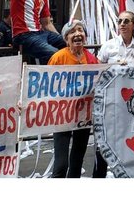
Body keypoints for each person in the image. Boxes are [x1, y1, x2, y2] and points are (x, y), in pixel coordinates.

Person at [93, 10, 134, 178]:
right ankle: (99, 176)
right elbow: (97, 70)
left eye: (126, 21)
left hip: (130, 104)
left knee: (128, 139)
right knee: (103, 140)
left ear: (133, 25)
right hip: (108, 100)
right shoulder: (108, 46)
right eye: (120, 21)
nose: (122, 24)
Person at [48, 19, 98, 178]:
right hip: (62, 116)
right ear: (66, 38)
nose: (77, 34)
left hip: (83, 117)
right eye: (72, 32)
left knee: (77, 161)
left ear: (85, 36)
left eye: (80, 30)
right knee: (61, 164)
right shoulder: (58, 58)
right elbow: (45, 85)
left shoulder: (91, 59)